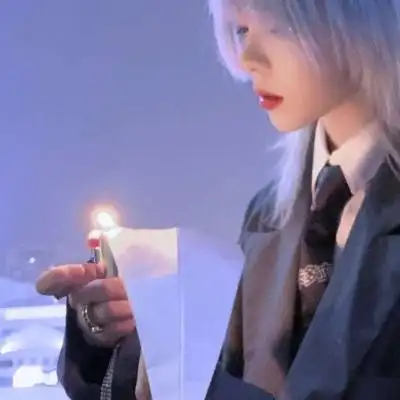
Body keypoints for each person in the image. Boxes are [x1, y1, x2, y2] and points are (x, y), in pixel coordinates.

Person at [36, 0, 400, 398]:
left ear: (366, 21)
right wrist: (131, 339)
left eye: (282, 28)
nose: (247, 58)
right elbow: (232, 378)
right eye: (242, 30)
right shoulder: (266, 217)